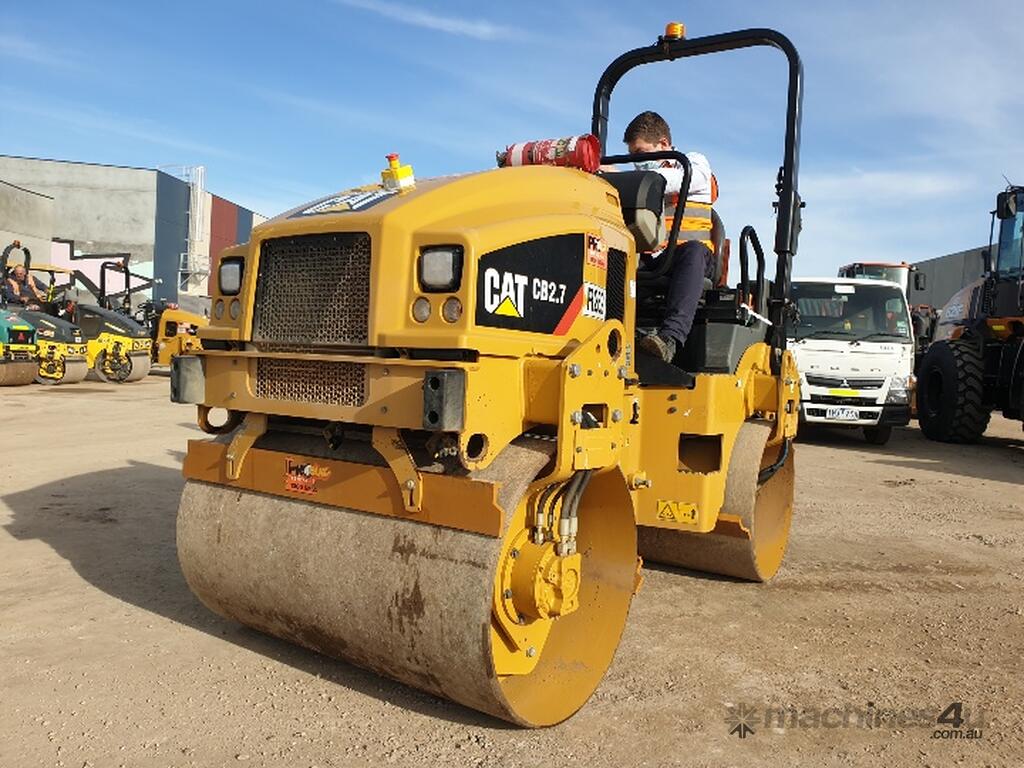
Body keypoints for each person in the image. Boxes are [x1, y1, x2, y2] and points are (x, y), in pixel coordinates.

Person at [620, 110, 718, 363]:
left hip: (689, 257)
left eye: (640, 153)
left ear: (663, 144)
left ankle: (669, 339)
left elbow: (684, 179)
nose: (636, 162)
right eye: (632, 156)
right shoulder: (640, 182)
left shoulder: (692, 164)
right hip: (651, 257)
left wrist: (629, 179)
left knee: (694, 251)